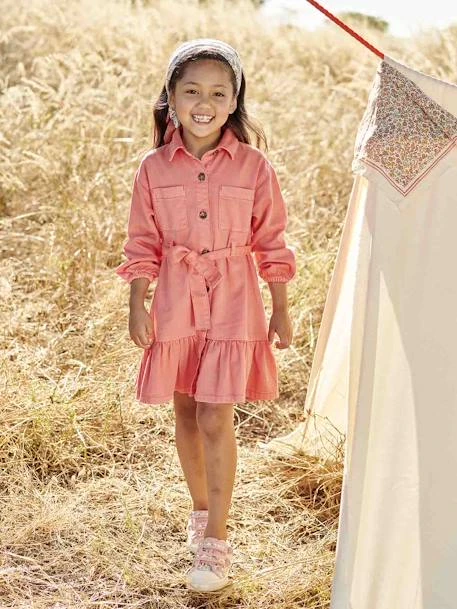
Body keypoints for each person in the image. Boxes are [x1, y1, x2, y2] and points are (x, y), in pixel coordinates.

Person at [115, 38, 296, 593]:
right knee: (187, 412)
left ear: (234, 100)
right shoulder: (152, 168)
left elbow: (272, 240)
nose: (204, 103)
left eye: (219, 93)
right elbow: (142, 240)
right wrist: (137, 301)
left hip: (234, 299)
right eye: (191, 90)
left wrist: (281, 307)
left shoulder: (255, 167)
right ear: (171, 97)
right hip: (175, 298)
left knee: (217, 415)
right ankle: (200, 512)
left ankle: (217, 540)